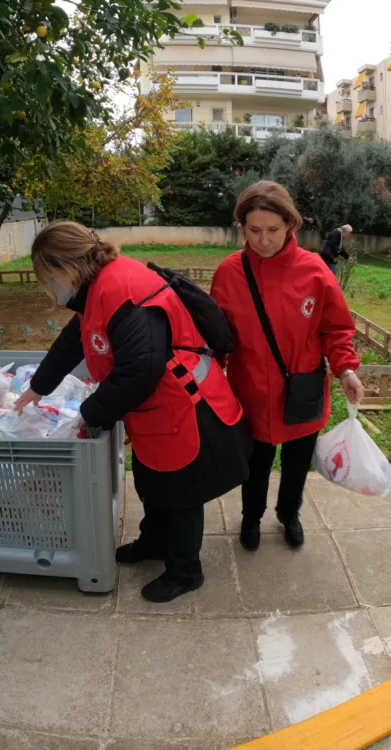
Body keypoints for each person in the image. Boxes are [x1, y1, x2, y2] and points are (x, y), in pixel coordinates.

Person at [16, 221, 252, 603]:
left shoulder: (122, 290)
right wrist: (37, 387)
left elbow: (139, 371)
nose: (50, 285)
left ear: (67, 266)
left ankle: (185, 570)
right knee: (150, 481)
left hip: (181, 405)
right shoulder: (94, 290)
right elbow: (74, 341)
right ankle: (154, 542)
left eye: (49, 274)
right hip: (152, 409)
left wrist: (89, 413)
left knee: (180, 494)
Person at [211, 182, 364, 551]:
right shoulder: (230, 272)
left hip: (301, 392)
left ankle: (289, 513)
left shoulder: (314, 271)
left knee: (296, 463)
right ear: (242, 228)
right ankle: (251, 518)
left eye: (273, 230)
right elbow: (217, 338)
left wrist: (345, 369)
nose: (263, 240)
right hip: (251, 392)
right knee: (256, 464)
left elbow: (336, 328)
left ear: (290, 225)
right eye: (254, 230)